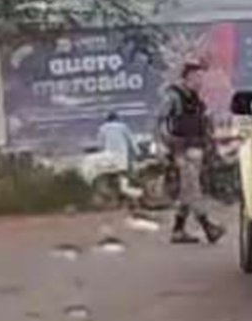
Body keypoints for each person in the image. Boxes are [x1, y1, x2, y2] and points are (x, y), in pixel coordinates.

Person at [157, 61, 227, 245]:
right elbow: (160, 122)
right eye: (196, 78)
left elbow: (204, 123)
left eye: (201, 78)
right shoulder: (174, 97)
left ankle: (178, 230)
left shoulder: (195, 99)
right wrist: (166, 146)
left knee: (187, 189)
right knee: (193, 187)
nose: (200, 82)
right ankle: (208, 226)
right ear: (186, 78)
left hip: (196, 148)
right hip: (182, 149)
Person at [96, 111, 142, 200]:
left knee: (112, 173)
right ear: (116, 118)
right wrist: (137, 152)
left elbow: (100, 144)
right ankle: (133, 193)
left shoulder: (102, 128)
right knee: (123, 173)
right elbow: (131, 140)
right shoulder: (123, 127)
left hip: (108, 155)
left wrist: (100, 155)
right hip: (122, 153)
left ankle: (116, 193)